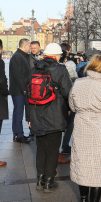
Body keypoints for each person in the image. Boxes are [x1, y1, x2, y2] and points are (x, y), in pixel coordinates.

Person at [68, 55, 101, 202]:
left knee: (83, 162)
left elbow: (72, 105)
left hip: (81, 126)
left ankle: (82, 200)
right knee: (100, 166)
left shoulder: (78, 83)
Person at [26, 43, 72, 192]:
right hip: (55, 115)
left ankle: (40, 179)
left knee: (40, 148)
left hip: (36, 113)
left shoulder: (34, 68)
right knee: (53, 149)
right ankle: (49, 181)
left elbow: (28, 93)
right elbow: (68, 93)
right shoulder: (60, 70)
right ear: (57, 56)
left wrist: (29, 118)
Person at [9, 38, 32, 144]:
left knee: (18, 112)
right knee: (18, 113)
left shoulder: (21, 56)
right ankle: (18, 135)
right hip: (19, 91)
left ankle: (19, 133)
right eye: (29, 46)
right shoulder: (18, 57)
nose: (30, 48)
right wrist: (24, 89)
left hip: (20, 90)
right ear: (25, 46)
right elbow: (18, 75)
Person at [58, 43, 78, 163]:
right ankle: (64, 145)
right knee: (70, 122)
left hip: (56, 98)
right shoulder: (70, 64)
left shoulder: (55, 65)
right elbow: (74, 79)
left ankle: (61, 147)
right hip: (68, 95)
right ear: (68, 52)